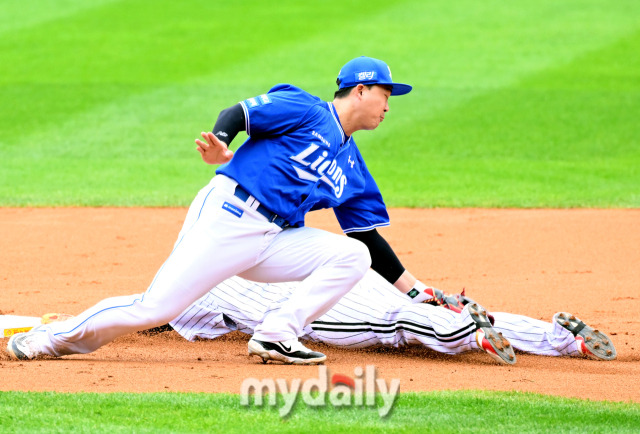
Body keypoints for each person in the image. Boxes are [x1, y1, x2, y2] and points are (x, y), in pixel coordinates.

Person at [8, 56, 477, 365]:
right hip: (230, 216)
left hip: (275, 241)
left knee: (351, 257)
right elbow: (239, 112)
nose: (389, 106)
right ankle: (49, 340)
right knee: (156, 307)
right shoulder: (306, 110)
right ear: (359, 90)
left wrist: (418, 292)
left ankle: (276, 334)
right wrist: (222, 147)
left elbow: (368, 240)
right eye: (386, 94)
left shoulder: (352, 164)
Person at [162, 269, 616, 364]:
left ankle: (465, 331)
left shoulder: (197, 285)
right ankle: (560, 337)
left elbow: (155, 310)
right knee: (410, 309)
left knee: (394, 323)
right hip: (343, 270)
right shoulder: (252, 245)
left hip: (321, 307)